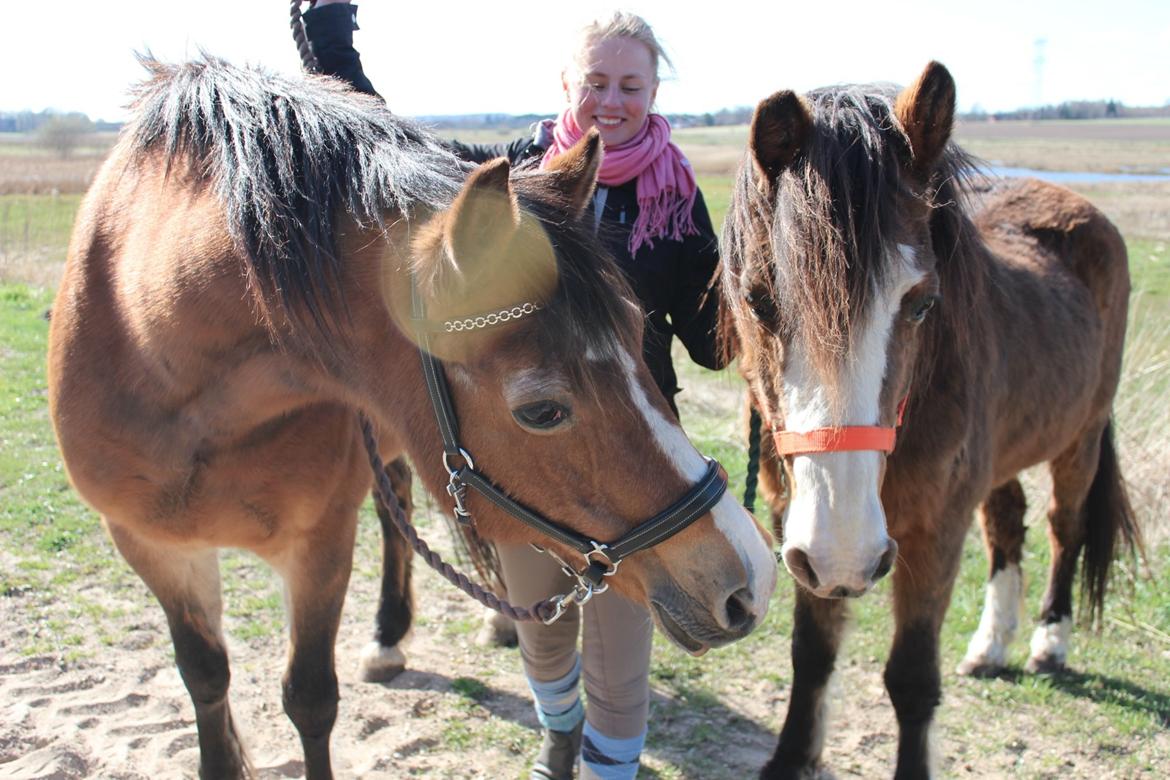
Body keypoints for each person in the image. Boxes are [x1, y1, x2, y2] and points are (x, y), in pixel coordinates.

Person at [304, 5, 727, 778]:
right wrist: (331, 41)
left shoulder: (676, 199)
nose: (611, 100)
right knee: (542, 633)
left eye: (630, 85)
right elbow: (390, 147)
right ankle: (558, 734)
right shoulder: (517, 175)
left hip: (632, 457)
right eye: (596, 81)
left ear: (654, 92)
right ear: (568, 84)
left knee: (620, 652)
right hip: (527, 451)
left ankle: (607, 768)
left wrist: (764, 294)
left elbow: (712, 340)